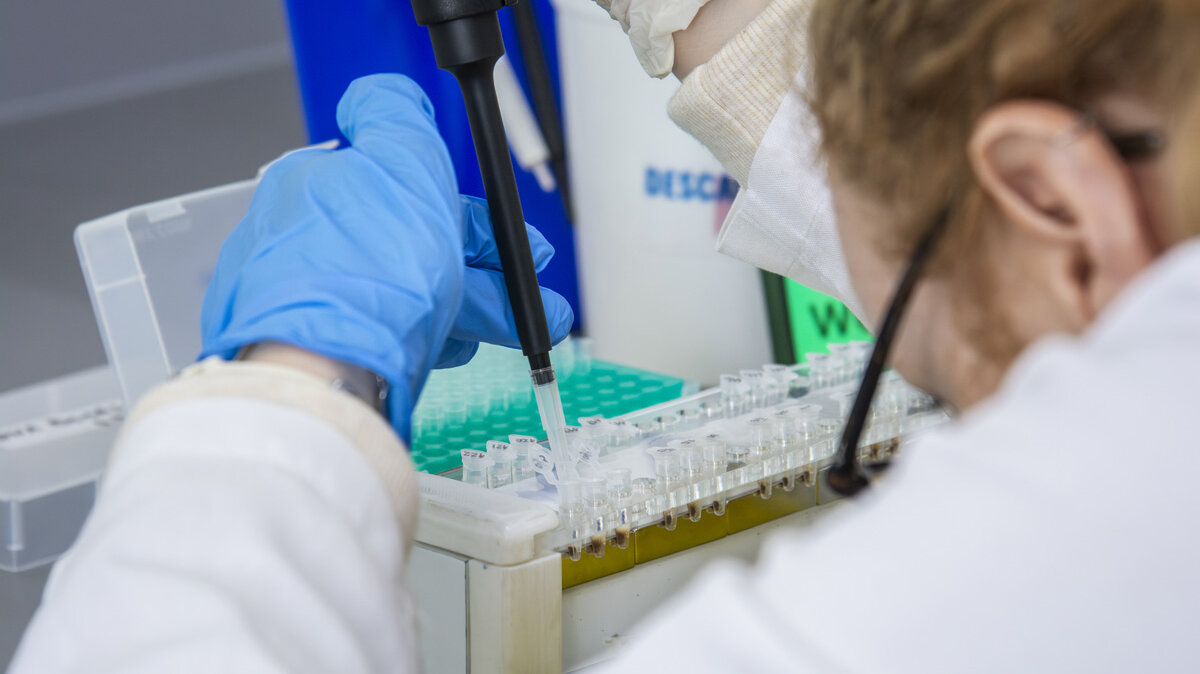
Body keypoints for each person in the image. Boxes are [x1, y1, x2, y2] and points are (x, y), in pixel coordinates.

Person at [10, 0, 1200, 671]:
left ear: (1056, 194)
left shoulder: (1095, 515)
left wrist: (290, 382)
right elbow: (944, 204)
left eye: (906, 313)